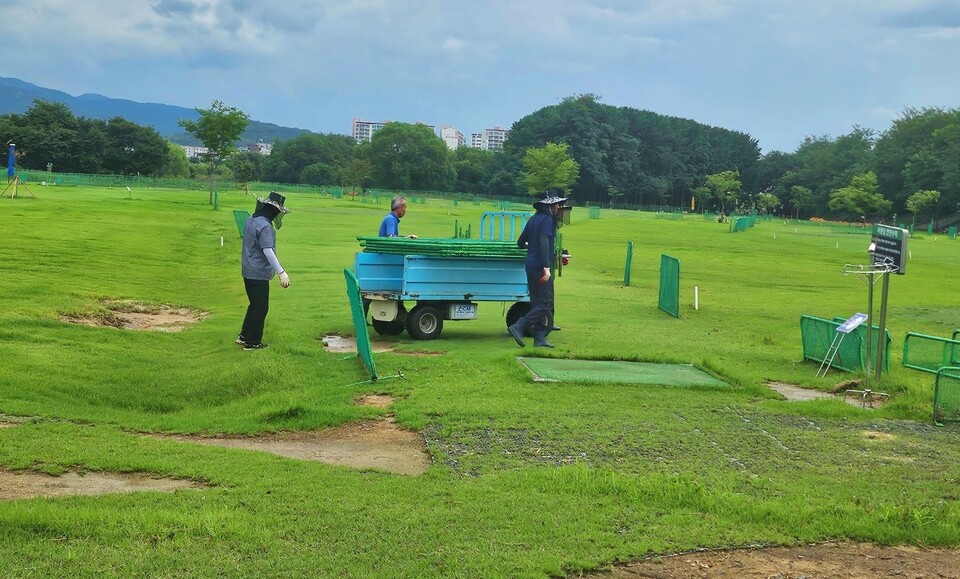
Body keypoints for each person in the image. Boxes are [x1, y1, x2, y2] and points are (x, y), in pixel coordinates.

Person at [508, 191, 567, 348]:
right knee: (546, 304)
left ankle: (539, 338)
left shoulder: (533, 219)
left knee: (537, 303)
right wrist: (547, 267)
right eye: (557, 205)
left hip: (531, 266)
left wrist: (530, 247)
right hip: (541, 268)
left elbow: (520, 242)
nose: (558, 208)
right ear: (549, 206)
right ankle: (518, 326)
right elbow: (544, 242)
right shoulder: (547, 220)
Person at [237, 192, 291, 351]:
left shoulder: (251, 219)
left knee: (254, 305)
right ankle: (252, 342)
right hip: (258, 273)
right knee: (261, 307)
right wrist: (281, 272)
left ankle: (244, 336)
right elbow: (268, 250)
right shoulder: (266, 226)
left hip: (247, 269)